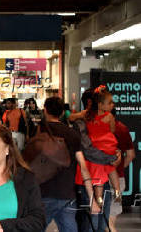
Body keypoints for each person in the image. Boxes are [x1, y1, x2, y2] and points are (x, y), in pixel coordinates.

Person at [39, 97, 100, 232]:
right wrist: (92, 199)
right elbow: (83, 167)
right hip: (67, 194)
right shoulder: (72, 134)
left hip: (44, 193)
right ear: (62, 113)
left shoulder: (38, 132)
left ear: (45, 110)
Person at [72, 88, 121, 232]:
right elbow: (90, 150)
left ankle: (109, 193)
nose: (112, 105)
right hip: (92, 170)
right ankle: (116, 190)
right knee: (92, 221)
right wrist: (111, 156)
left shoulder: (86, 118)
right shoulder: (85, 121)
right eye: (109, 102)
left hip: (96, 166)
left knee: (99, 220)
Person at [109, 108, 135, 231]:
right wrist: (120, 167)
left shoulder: (98, 129)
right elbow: (131, 155)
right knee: (111, 222)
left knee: (103, 222)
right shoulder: (123, 128)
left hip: (99, 178)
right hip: (119, 179)